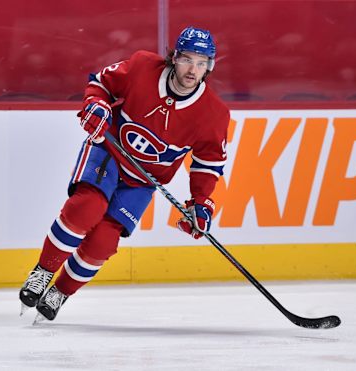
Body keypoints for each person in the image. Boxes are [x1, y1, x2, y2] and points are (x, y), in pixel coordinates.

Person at [19, 26, 230, 322]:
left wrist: (200, 202)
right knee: (86, 208)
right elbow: (101, 84)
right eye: (187, 59)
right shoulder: (143, 66)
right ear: (174, 57)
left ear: (209, 66)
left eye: (201, 62)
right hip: (109, 152)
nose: (192, 69)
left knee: (104, 242)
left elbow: (208, 162)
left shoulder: (214, 114)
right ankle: (43, 272)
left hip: (143, 181)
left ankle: (60, 292)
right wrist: (95, 105)